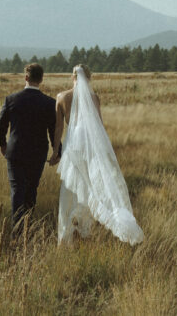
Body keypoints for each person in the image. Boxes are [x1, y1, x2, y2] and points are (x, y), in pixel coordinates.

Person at [52, 65, 144, 244]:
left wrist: (56, 150)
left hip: (73, 143)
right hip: (91, 144)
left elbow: (58, 127)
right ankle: (84, 229)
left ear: (73, 78)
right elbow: (99, 126)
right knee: (91, 184)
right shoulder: (94, 98)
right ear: (89, 79)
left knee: (72, 186)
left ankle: (69, 231)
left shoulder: (62, 97)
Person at [0, 62, 60, 228]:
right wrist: (57, 152)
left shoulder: (11, 99)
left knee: (17, 189)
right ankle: (27, 227)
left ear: (26, 77)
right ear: (41, 80)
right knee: (31, 189)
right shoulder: (49, 103)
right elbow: (54, 131)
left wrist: (2, 145)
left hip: (15, 152)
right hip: (38, 153)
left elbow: (0, 126)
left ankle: (17, 230)